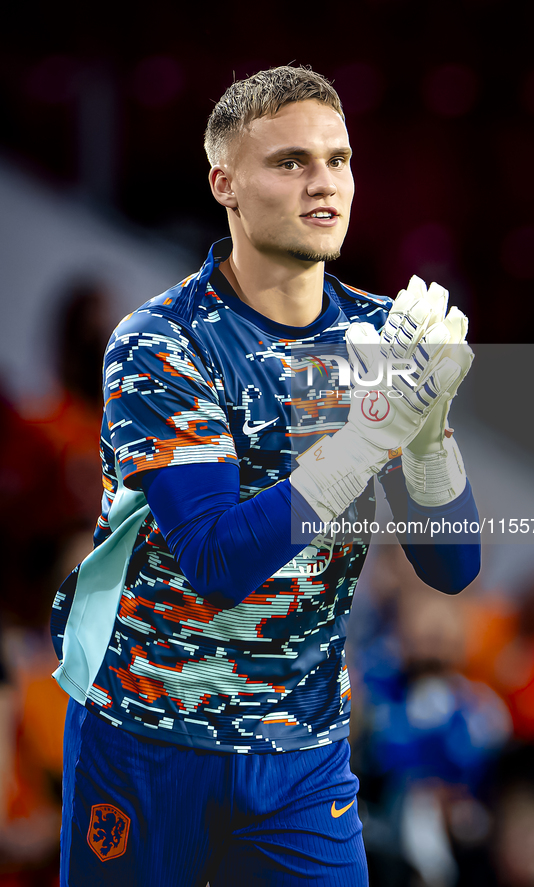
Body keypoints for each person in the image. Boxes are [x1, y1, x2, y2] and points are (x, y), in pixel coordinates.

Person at [52, 65, 480, 887]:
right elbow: (216, 561)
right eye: (289, 161)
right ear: (226, 184)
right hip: (147, 737)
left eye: (338, 158)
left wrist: (425, 438)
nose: (323, 182)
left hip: (303, 752)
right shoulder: (160, 344)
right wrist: (372, 433)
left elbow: (451, 567)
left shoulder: (376, 332)